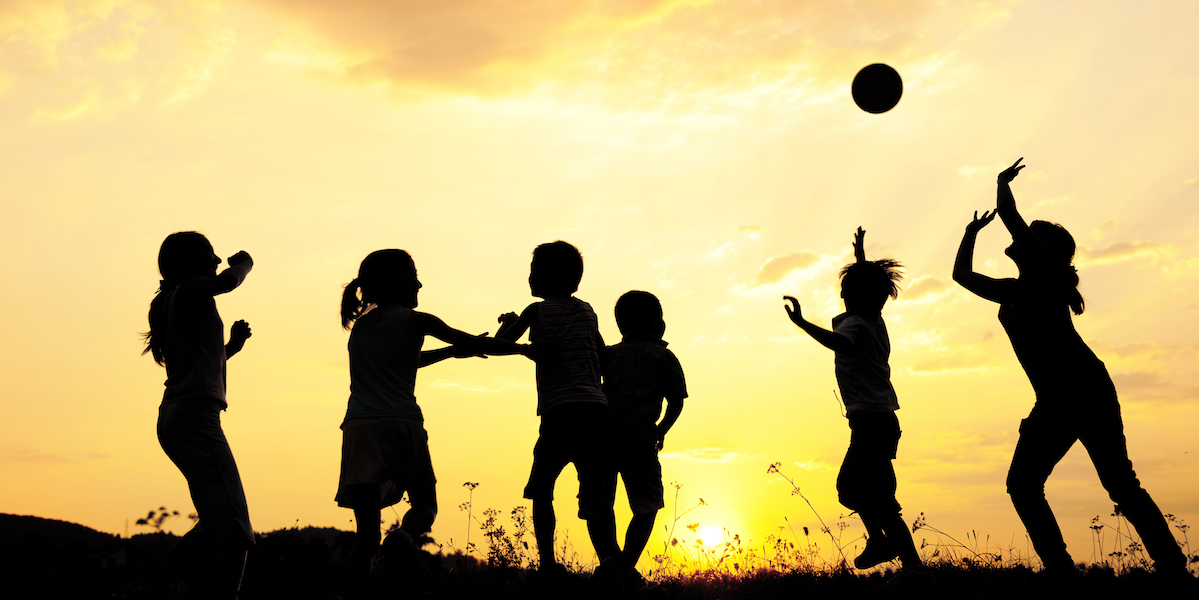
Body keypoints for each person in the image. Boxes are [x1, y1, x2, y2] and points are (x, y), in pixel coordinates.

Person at [953, 158, 1189, 577]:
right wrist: (970, 234)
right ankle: (1062, 570)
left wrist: (1001, 184)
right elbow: (961, 276)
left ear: (1040, 249)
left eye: (1026, 236)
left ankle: (1171, 566)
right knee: (1024, 485)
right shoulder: (1011, 291)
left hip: (1083, 388)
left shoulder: (1046, 275)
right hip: (1057, 398)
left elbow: (1009, 216)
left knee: (1118, 484)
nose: (1016, 237)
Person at [337, 249, 532, 599]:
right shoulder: (418, 320)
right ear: (398, 282)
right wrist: (522, 349)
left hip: (358, 429)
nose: (420, 282)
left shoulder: (362, 325)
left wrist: (448, 353)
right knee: (424, 504)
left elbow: (406, 360)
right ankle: (405, 537)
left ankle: (353, 598)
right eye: (414, 274)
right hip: (402, 423)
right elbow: (475, 342)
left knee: (366, 536)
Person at [783, 227, 924, 571]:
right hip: (878, 422)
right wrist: (860, 256)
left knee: (858, 491)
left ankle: (906, 561)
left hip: (872, 423)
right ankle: (887, 546)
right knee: (870, 494)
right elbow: (868, 285)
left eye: (845, 291)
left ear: (856, 296)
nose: (842, 295)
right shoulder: (874, 319)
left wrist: (802, 323)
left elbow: (840, 344)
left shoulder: (856, 326)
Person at [495, 241, 621, 579]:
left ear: (548, 277)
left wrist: (518, 339)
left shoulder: (536, 312)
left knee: (543, 490)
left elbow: (498, 345)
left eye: (534, 271)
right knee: (596, 495)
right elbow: (602, 355)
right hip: (596, 412)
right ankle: (611, 562)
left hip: (559, 413)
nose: (530, 277)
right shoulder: (588, 311)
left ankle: (549, 565)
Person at [143, 231, 255, 599]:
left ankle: (152, 591)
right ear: (188, 261)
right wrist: (245, 263)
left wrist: (231, 349)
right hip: (195, 418)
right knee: (236, 527)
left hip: (175, 416)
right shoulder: (192, 289)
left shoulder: (169, 303)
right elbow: (227, 281)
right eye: (208, 253)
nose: (216, 258)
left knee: (212, 523)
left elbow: (197, 361)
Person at [602, 291, 687, 585]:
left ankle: (612, 564)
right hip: (640, 440)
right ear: (656, 322)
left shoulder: (607, 355)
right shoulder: (663, 356)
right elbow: (676, 401)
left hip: (601, 439)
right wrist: (661, 429)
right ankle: (623, 567)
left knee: (600, 505)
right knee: (647, 505)